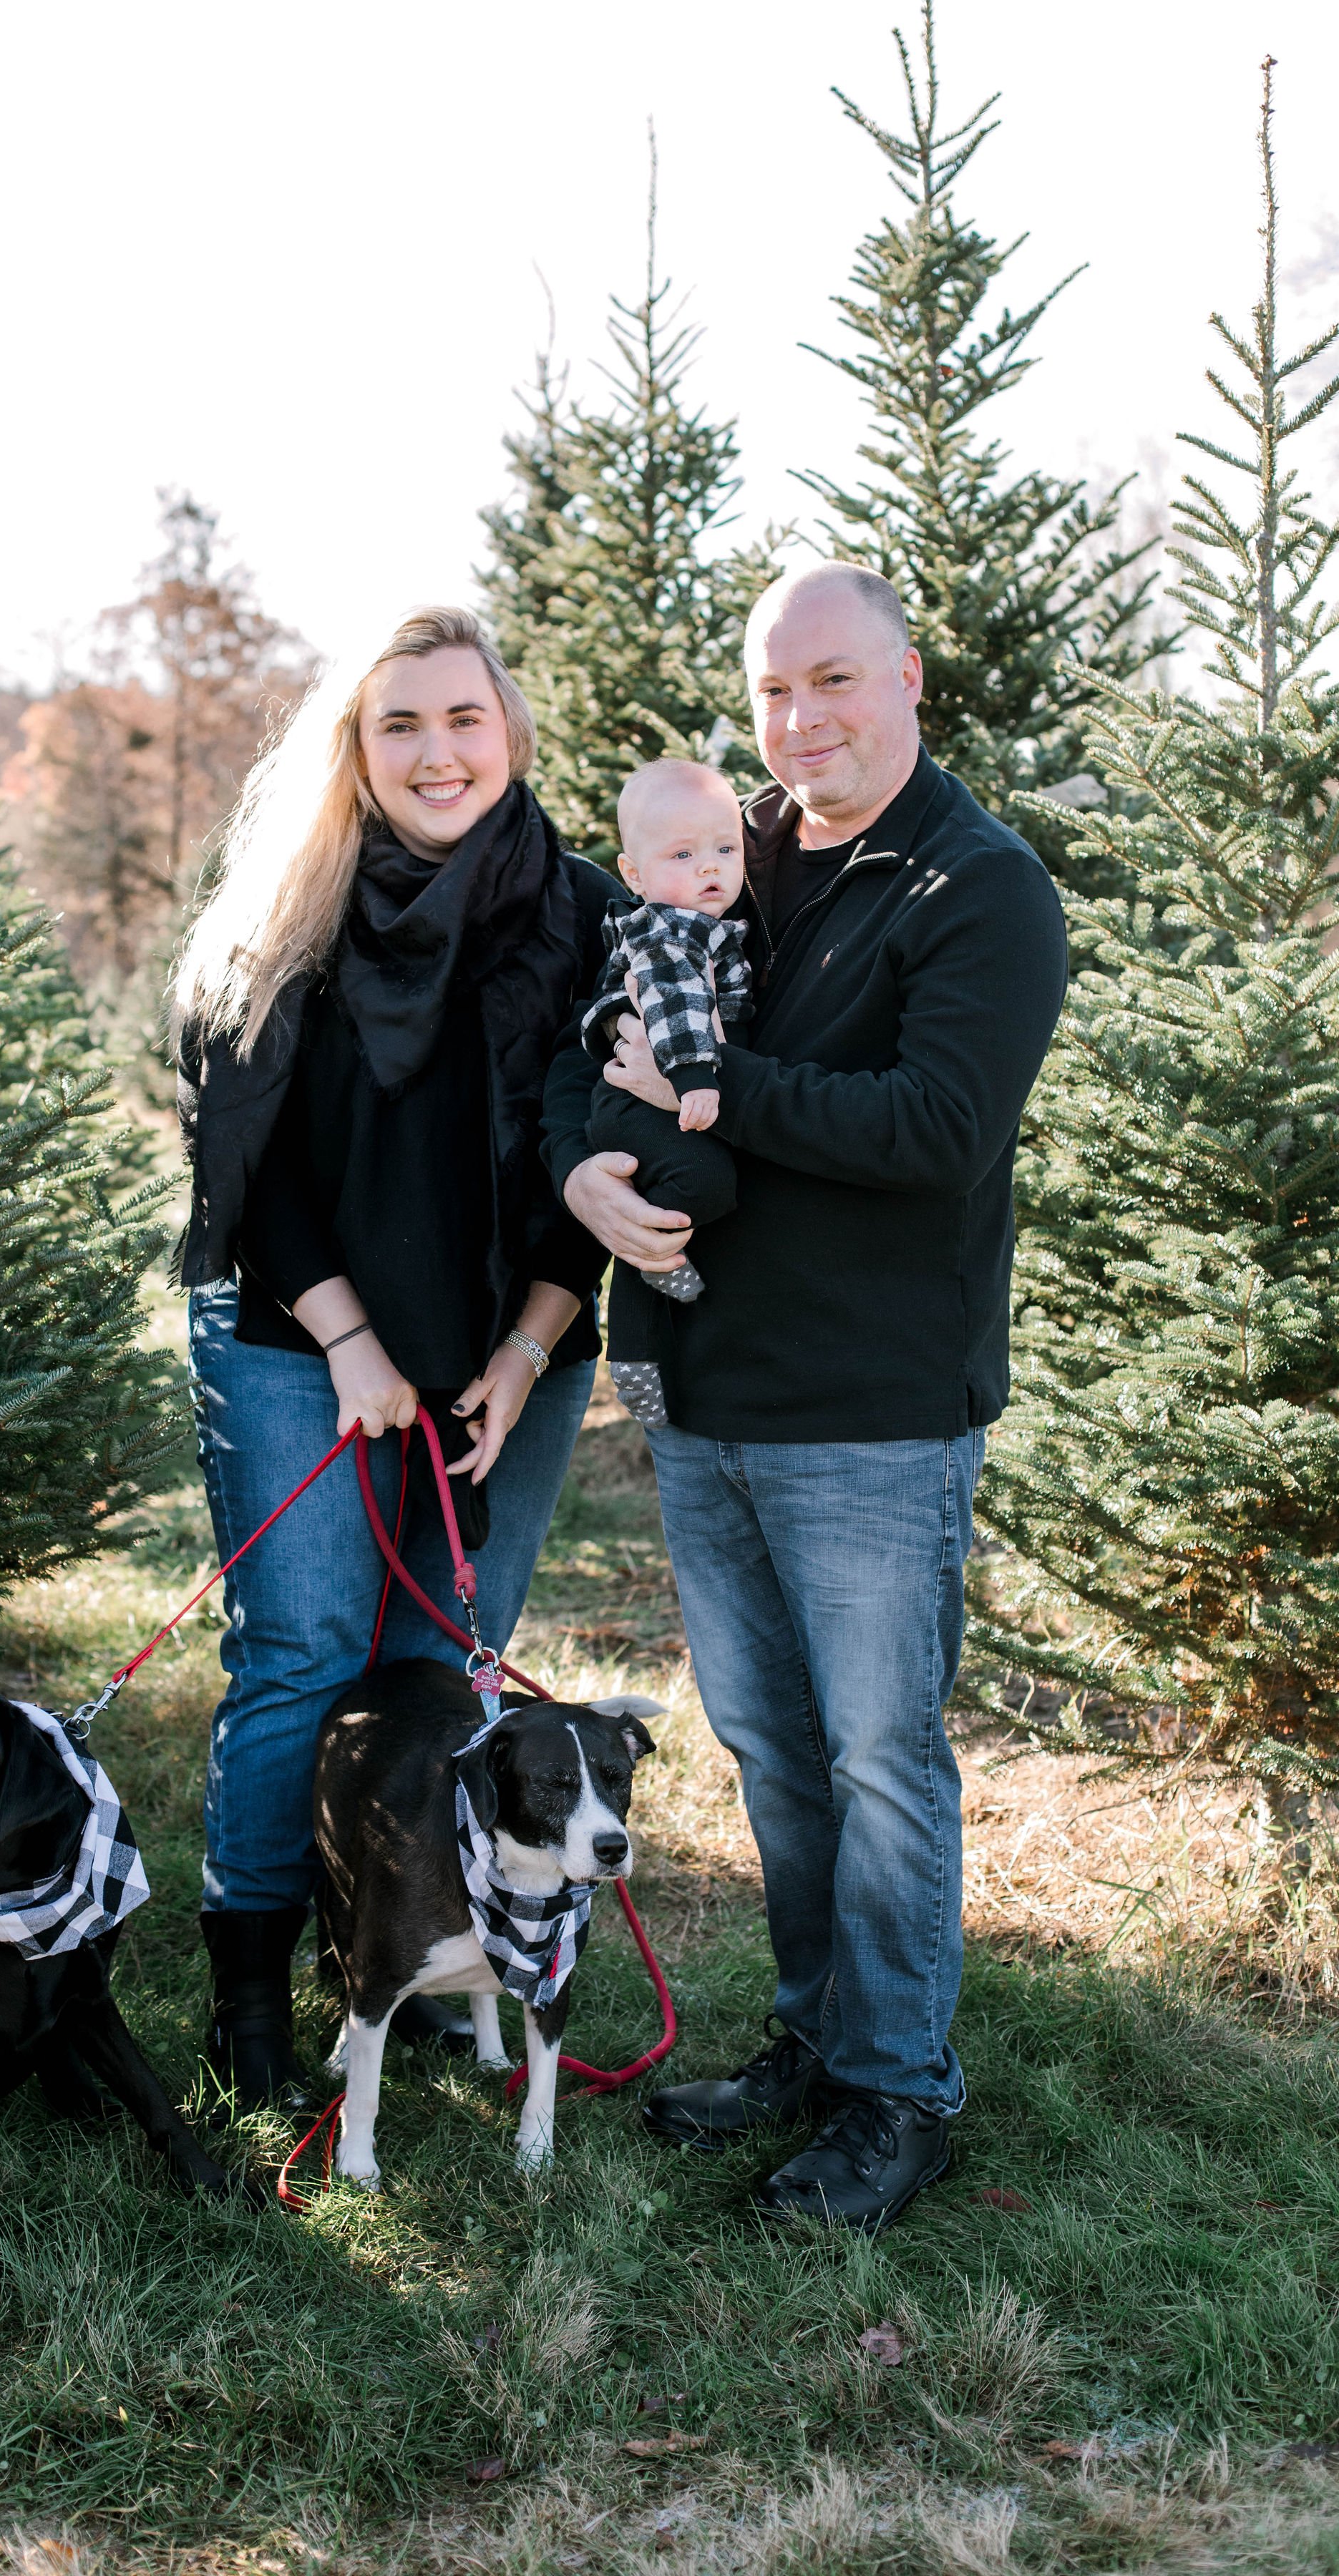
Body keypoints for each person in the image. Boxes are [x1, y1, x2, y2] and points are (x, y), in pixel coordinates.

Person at [543, 561, 1068, 2233]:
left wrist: (706, 1091)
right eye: (773, 692)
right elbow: (594, 1032)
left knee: (879, 1758)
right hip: (699, 1394)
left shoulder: (976, 890)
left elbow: (926, 1132)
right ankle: (812, 2042)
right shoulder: (729, 849)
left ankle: (895, 2092)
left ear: (904, 678)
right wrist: (581, 1173)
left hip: (867, 1415)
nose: (800, 723)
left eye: (830, 682)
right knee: (773, 1751)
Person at [173, 606, 616, 2109]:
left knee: (441, 1667)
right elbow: (259, 1175)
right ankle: (251, 1999)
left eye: (464, 719)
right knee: (304, 1656)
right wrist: (357, 1346)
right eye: (400, 724)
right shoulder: (281, 920)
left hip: (509, 1352)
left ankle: (422, 1945)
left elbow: (599, 1163)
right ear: (354, 753)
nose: (439, 751)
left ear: (513, 733)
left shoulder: (591, 919)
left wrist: (527, 1351)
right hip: (303, 1339)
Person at [578, 759, 751, 1379]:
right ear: (634, 873)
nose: (709, 866)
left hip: (658, 1093)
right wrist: (699, 1076)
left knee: (667, 1209)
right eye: (682, 855)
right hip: (641, 1097)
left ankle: (633, 1349)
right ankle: (634, 1333)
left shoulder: (707, 923)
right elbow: (675, 1004)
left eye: (725, 848)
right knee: (700, 1188)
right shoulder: (667, 930)